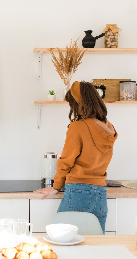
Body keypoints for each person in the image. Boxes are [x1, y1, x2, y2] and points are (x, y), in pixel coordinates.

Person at [34, 81, 117, 233]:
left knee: (60, 238)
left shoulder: (78, 127)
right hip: (100, 194)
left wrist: (56, 187)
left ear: (79, 104)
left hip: (78, 192)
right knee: (95, 245)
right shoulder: (108, 128)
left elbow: (66, 162)